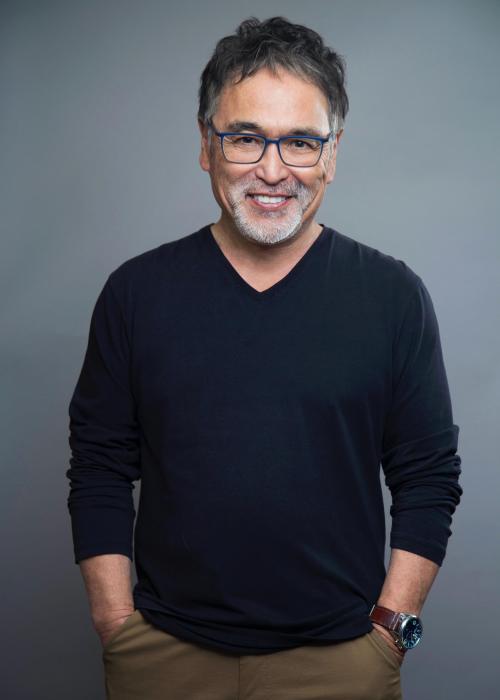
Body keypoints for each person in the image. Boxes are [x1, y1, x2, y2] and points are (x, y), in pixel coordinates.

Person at [66, 16, 463, 700]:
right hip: (164, 658)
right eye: (246, 138)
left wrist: (389, 636)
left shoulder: (393, 296)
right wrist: (115, 624)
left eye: (301, 142)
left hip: (343, 663)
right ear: (206, 145)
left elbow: (428, 476)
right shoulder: (136, 294)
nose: (273, 170)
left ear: (332, 154)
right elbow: (99, 465)